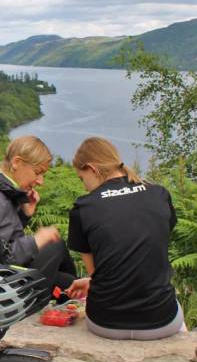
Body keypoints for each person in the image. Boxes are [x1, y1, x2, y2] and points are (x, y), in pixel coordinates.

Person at [63, 137, 185, 340]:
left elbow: (96, 275)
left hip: (105, 322)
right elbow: (151, 249)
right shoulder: (159, 194)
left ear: (92, 169)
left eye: (82, 178)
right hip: (162, 322)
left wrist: (92, 282)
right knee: (173, 304)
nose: (84, 187)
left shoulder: (84, 208)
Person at [0, 136, 77, 296]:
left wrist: (24, 214)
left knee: (67, 282)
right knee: (55, 245)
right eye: (37, 172)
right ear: (16, 162)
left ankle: (72, 298)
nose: (40, 181)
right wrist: (35, 241)